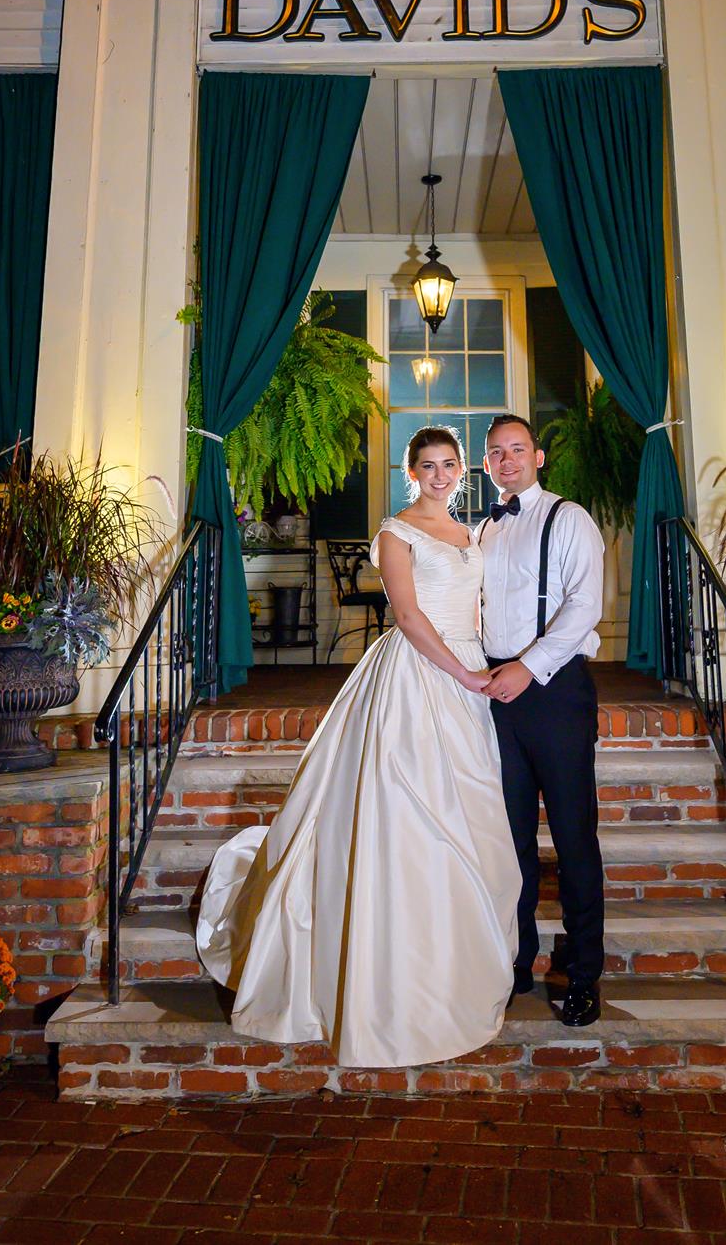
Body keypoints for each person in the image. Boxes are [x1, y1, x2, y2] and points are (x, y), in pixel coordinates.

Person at [194, 425, 520, 1068]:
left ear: (462, 470)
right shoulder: (396, 532)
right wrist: (462, 674)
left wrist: (486, 666)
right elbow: (408, 615)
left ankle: (454, 954)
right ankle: (386, 971)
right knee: (407, 808)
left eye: (449, 464)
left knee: (469, 808)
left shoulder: (473, 533)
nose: (440, 475)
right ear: (411, 472)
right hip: (421, 674)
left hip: (471, 674)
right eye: (427, 465)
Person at [477, 413, 606, 1027]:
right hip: (495, 694)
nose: (508, 460)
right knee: (510, 840)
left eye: (517, 449)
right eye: (497, 452)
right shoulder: (482, 529)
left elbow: (585, 606)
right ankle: (517, 960)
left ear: (538, 456)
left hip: (555, 691)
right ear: (486, 465)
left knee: (574, 836)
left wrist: (527, 668)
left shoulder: (569, 518)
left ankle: (583, 974)